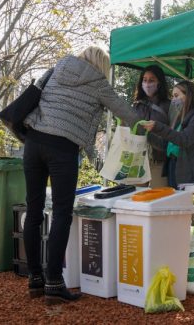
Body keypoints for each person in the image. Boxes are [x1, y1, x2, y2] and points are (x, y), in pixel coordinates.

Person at [22, 46, 139, 304]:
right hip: (62, 149)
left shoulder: (57, 68)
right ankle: (53, 281)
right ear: (102, 66)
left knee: (33, 210)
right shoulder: (98, 82)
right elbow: (125, 112)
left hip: (33, 143)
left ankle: (34, 279)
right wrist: (150, 126)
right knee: (62, 214)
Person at [141, 80, 194, 189]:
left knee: (180, 203)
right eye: (173, 96)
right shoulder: (178, 119)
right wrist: (146, 134)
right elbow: (165, 144)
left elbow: (184, 139)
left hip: (185, 170)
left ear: (188, 96)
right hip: (172, 165)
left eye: (176, 95)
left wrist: (158, 127)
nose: (173, 100)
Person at [130, 65, 171, 187]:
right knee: (135, 201)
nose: (147, 83)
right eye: (144, 79)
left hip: (159, 161)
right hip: (137, 160)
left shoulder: (169, 106)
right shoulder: (137, 106)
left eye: (152, 80)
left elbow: (173, 135)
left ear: (159, 82)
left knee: (158, 200)